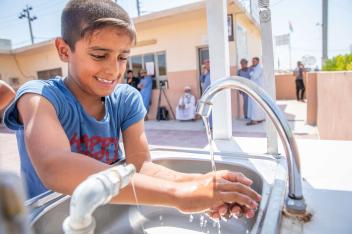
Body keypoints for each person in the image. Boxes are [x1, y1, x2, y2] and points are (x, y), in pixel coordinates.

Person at [3, 0, 260, 220]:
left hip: (103, 211)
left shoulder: (126, 98)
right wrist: (179, 196)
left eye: (123, 57)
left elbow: (141, 165)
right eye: (99, 55)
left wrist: (200, 184)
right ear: (63, 50)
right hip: (48, 219)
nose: (113, 70)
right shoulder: (39, 97)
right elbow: (55, 167)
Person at [247, 57, 265, 126]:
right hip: (256, 88)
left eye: (254, 61)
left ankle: (254, 120)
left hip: (257, 88)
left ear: (258, 61)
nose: (253, 62)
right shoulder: (257, 67)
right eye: (252, 61)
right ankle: (259, 119)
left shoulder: (259, 67)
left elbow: (254, 76)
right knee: (257, 104)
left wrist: (250, 72)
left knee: (255, 105)